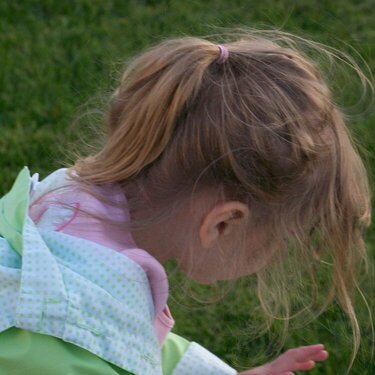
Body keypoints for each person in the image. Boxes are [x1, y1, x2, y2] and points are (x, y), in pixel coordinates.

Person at [0, 27, 372, 374]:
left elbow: (121, 336)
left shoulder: (66, 212)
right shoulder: (65, 342)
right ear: (223, 223)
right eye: (280, 239)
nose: (274, 257)